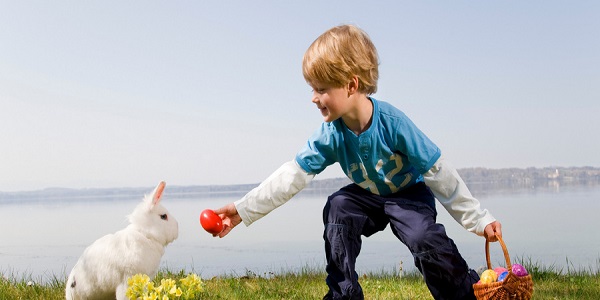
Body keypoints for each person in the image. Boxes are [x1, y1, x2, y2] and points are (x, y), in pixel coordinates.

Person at [213, 24, 502, 300]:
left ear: (351, 85)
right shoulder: (331, 133)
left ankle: (465, 293)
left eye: (321, 89)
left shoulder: (394, 124)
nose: (313, 98)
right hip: (367, 196)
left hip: (409, 196)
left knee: (423, 236)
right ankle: (343, 294)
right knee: (339, 207)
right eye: (311, 89)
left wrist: (479, 219)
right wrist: (242, 210)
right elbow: (293, 174)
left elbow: (439, 173)